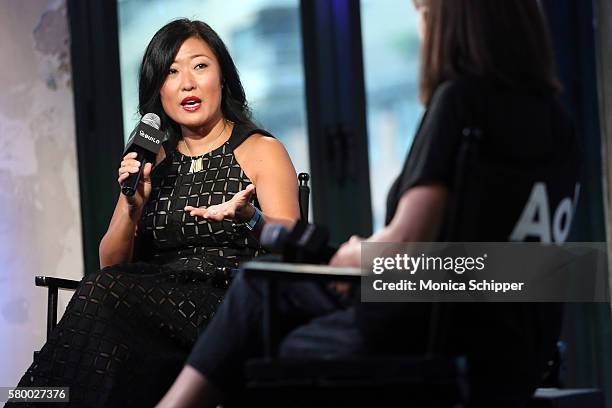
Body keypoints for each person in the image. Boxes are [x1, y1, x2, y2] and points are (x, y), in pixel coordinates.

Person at [156, 1, 582, 407]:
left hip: (444, 338)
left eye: (424, 11)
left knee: (259, 292)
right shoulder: (558, 122)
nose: (422, 26)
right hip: (519, 351)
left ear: (450, 19)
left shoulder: (460, 103)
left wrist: (357, 253)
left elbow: (405, 247)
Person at [9, 19, 299, 407]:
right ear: (158, 90)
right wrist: (133, 202)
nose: (187, 83)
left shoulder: (261, 149)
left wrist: (249, 216)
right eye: (171, 71)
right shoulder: (153, 157)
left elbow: (293, 242)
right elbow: (110, 263)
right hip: (153, 304)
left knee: (104, 308)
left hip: (229, 302)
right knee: (103, 311)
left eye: (200, 66)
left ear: (223, 77)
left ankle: (31, 404)